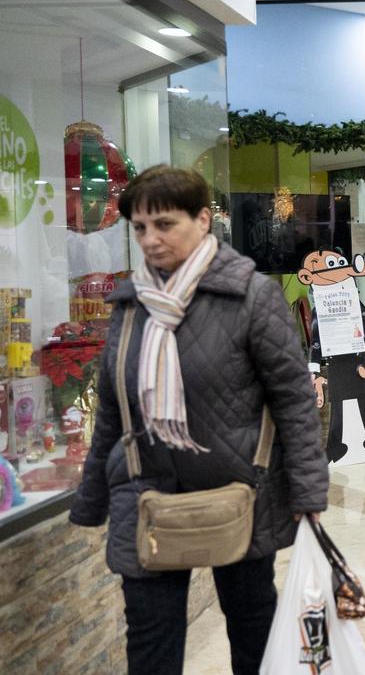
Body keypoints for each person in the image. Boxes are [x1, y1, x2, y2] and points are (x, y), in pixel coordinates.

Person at [69, 166, 329, 675]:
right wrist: (92, 499)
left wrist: (308, 494)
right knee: (150, 640)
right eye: (140, 228)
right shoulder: (130, 305)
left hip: (238, 491)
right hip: (145, 495)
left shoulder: (252, 297)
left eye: (164, 224)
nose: (150, 239)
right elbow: (112, 409)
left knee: (253, 627)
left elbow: (294, 401)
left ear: (203, 219)